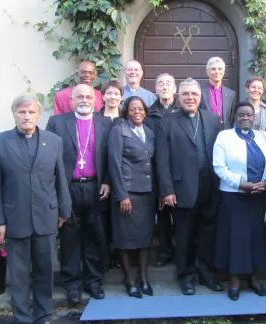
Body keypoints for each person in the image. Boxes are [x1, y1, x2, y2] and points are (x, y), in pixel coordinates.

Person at [0, 93, 71, 324]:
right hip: (15, 218)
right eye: (21, 112)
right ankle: (22, 318)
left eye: (31, 112)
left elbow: (60, 179)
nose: (26, 116)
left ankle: (43, 315)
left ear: (38, 115)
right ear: (14, 114)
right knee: (19, 275)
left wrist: (64, 211)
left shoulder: (54, 141)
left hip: (46, 216)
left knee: (45, 271)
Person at [156, 77, 223, 295]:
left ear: (200, 96)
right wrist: (167, 189)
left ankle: (206, 274)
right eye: (185, 94)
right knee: (184, 235)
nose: (190, 98)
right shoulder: (167, 121)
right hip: (182, 188)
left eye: (194, 94)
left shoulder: (213, 119)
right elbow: (162, 158)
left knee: (208, 233)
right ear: (179, 96)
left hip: (210, 186)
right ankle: (185, 276)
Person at [46, 84, 112, 304]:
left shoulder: (104, 122)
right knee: (70, 238)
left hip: (96, 187)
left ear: (96, 100)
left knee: (95, 236)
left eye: (88, 96)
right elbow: (49, 160)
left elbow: (111, 157)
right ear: (71, 100)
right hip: (69, 188)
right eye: (79, 97)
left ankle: (93, 281)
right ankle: (71, 284)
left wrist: (107, 181)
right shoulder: (57, 123)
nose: (84, 100)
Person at [213, 102, 266, 301]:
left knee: (256, 237)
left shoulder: (264, 137)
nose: (245, 118)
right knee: (236, 238)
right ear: (235, 117)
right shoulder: (224, 136)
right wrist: (242, 184)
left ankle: (255, 278)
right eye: (241, 115)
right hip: (234, 196)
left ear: (254, 116)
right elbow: (219, 167)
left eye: (249, 114)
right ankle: (234, 279)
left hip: (258, 197)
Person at [108, 96, 157, 297]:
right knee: (125, 239)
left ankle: (143, 278)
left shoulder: (150, 132)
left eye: (140, 108)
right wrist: (121, 195)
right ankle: (129, 279)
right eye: (133, 109)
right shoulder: (118, 131)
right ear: (126, 111)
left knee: (144, 239)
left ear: (145, 111)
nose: (137, 111)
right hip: (127, 194)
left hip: (147, 194)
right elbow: (114, 163)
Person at [145, 73, 181, 267]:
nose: (165, 87)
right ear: (155, 89)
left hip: (182, 172)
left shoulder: (183, 109)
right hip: (158, 171)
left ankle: (182, 252)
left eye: (168, 83)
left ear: (175, 88)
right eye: (160, 84)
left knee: (182, 216)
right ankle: (165, 250)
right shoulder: (149, 114)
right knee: (163, 215)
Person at [200, 57, 237, 129]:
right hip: (207, 135)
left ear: (223, 72)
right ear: (207, 72)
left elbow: (233, 119)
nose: (217, 71)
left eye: (220, 69)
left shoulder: (231, 94)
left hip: (225, 135)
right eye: (213, 69)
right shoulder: (200, 93)